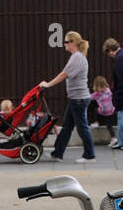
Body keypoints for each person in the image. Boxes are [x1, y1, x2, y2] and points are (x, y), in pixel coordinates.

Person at [41, 31, 95, 163]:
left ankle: (89, 155)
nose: (64, 44)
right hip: (76, 98)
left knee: (82, 127)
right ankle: (57, 153)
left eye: (66, 42)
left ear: (73, 43)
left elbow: (64, 74)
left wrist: (48, 84)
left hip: (79, 99)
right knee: (67, 126)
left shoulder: (77, 57)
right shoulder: (77, 56)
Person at [89, 76, 116, 145]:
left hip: (103, 111)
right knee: (109, 126)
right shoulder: (109, 91)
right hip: (111, 112)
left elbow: (89, 97)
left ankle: (96, 122)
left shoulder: (97, 94)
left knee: (96, 110)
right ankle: (113, 138)